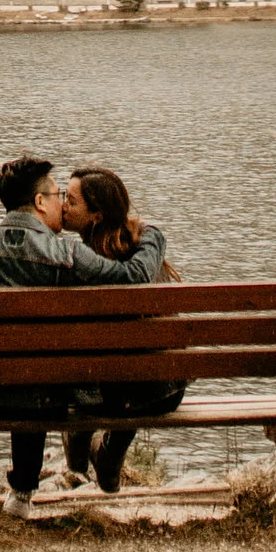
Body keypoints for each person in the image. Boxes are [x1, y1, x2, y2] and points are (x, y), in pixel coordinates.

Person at [0, 152, 166, 515]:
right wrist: (152, 237)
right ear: (40, 202)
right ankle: (24, 491)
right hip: (36, 398)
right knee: (34, 374)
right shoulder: (67, 253)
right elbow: (133, 280)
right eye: (60, 196)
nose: (64, 204)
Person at [56, 163, 185, 495]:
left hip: (100, 397)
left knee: (92, 366)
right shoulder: (146, 240)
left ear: (96, 214)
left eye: (70, 199)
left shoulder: (76, 260)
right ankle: (108, 458)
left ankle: (81, 459)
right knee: (126, 363)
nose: (62, 205)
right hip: (163, 393)